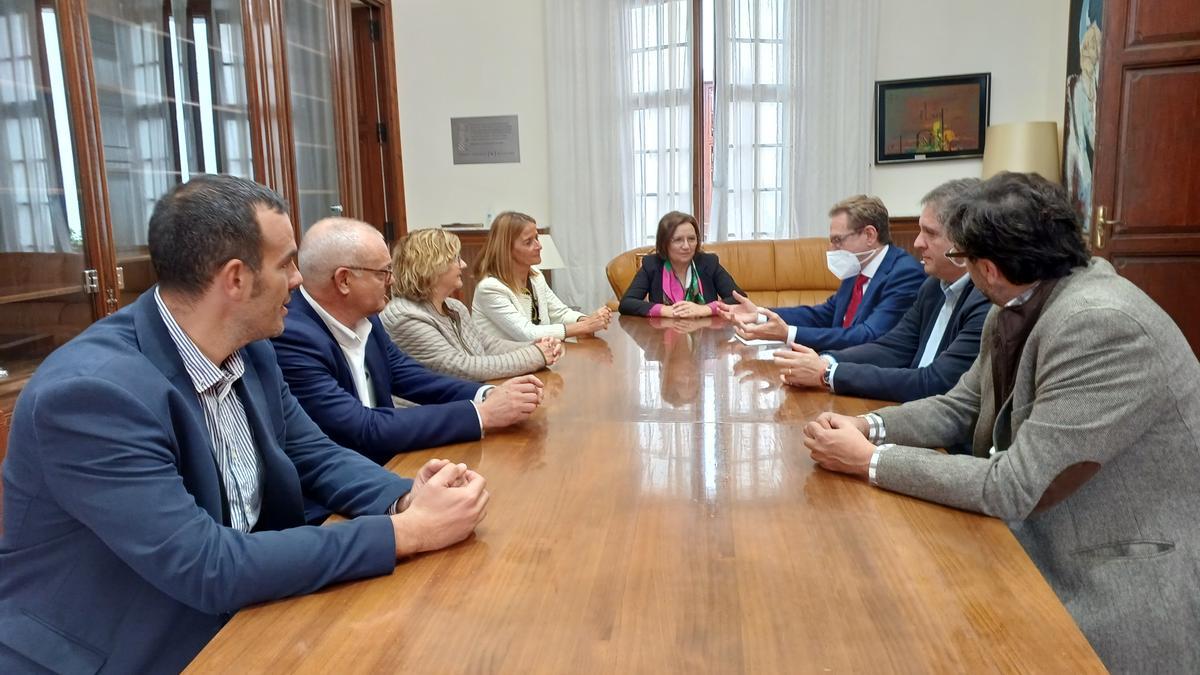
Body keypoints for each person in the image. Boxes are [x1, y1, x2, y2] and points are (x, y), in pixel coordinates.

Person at [0, 176, 489, 673]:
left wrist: (406, 496)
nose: (299, 279)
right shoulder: (91, 395)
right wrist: (406, 532)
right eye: (287, 263)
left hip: (239, 616)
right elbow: (206, 565)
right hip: (121, 649)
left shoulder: (252, 348)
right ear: (235, 279)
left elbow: (313, 454)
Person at [801, 172, 1200, 673]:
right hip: (1030, 539)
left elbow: (1016, 486)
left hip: (1110, 574)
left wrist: (871, 462)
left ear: (987, 268)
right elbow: (960, 406)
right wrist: (869, 427)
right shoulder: (1022, 299)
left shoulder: (1100, 323)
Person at [271, 218, 543, 476]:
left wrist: (487, 394)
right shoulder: (293, 337)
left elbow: (407, 375)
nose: (391, 280)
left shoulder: (367, 318)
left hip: (386, 462)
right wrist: (481, 413)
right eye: (383, 272)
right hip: (347, 482)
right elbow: (362, 427)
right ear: (344, 280)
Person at [773, 179, 989, 403]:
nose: (917, 243)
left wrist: (827, 374)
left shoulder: (984, 301)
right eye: (919, 231)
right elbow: (892, 347)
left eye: (930, 233)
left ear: (965, 241)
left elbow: (933, 382)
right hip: (908, 409)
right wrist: (827, 361)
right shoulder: (933, 286)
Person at [717, 195, 925, 351]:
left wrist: (788, 334)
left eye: (838, 240)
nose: (832, 249)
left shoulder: (904, 274)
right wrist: (760, 314)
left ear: (870, 234)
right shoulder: (857, 268)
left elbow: (868, 336)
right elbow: (824, 315)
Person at [381, 228, 563, 381]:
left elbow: (485, 345)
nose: (464, 264)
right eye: (455, 259)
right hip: (432, 414)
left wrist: (536, 345)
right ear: (432, 266)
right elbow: (460, 367)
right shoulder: (405, 316)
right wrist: (536, 355)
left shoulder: (454, 307)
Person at [472, 211, 611, 341]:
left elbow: (560, 314)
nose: (539, 246)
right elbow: (527, 333)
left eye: (537, 238)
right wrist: (586, 326)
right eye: (528, 242)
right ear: (507, 250)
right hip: (502, 363)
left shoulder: (536, 276)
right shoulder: (489, 288)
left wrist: (588, 320)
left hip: (537, 357)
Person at [618, 210, 742, 317]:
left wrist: (705, 309)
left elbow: (739, 299)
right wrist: (664, 310)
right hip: (663, 337)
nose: (686, 246)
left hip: (705, 336)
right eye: (678, 240)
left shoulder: (709, 262)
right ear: (664, 243)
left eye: (691, 239)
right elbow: (627, 303)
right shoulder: (652, 265)